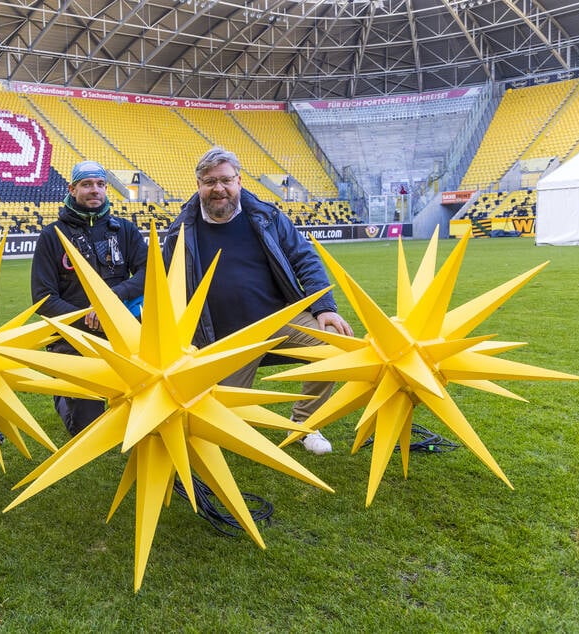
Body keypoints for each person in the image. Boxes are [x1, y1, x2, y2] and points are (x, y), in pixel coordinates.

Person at [162, 147, 354, 455]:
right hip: (225, 337)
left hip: (278, 320)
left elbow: (305, 258)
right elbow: (168, 288)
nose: (218, 188)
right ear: (198, 184)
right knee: (221, 428)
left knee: (334, 344)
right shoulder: (180, 232)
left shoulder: (266, 216)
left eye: (225, 180)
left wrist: (324, 308)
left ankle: (305, 424)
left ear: (239, 180)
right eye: (209, 181)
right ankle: (227, 411)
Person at [31, 160, 147, 436]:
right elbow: (43, 298)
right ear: (72, 189)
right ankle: (64, 391)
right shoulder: (52, 236)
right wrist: (88, 318)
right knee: (88, 431)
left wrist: (112, 302)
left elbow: (149, 272)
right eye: (86, 184)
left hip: (124, 331)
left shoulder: (125, 230)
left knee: (149, 407)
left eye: (100, 184)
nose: (94, 190)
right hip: (76, 338)